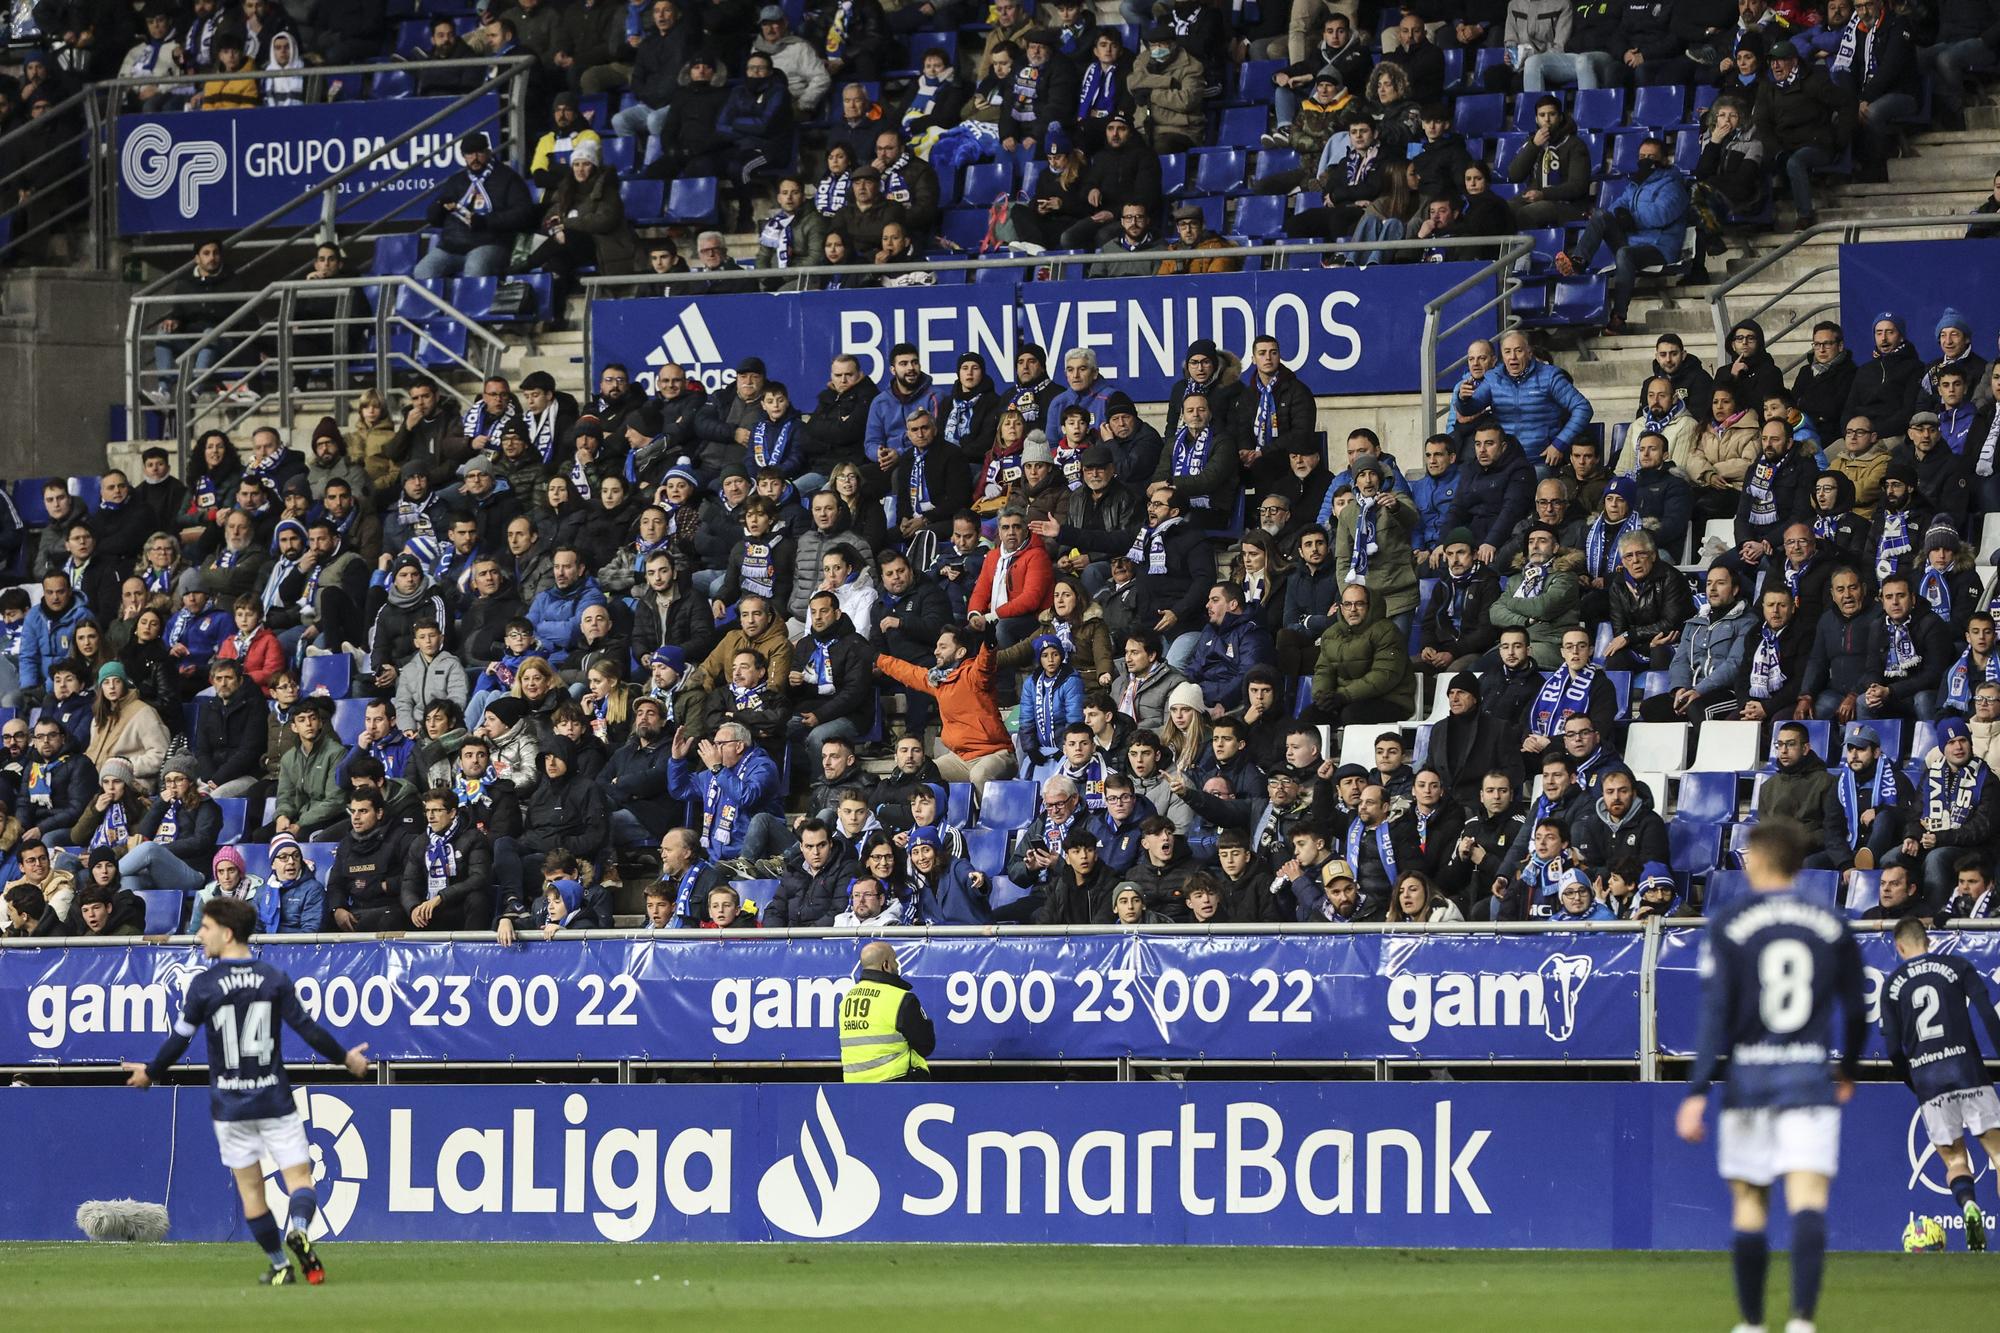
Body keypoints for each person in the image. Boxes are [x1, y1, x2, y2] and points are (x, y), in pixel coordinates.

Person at [1676, 819, 1866, 1333]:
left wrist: (1696, 1090)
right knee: (1807, 1200)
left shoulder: (1731, 921)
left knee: (1749, 1200)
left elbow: (1716, 1015)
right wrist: (1846, 1068)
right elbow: (1856, 1008)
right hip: (1808, 1077)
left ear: (1758, 859)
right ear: (1799, 864)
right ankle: (1802, 1320)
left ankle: (1752, 1323)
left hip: (1750, 1080)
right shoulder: (1828, 921)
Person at [124, 897, 372, 1286]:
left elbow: (180, 1040)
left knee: (252, 1191)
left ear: (226, 932)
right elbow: (307, 1030)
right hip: (274, 1097)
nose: (199, 935)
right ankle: (301, 1229)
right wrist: (347, 1059)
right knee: (300, 1179)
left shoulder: (205, 984)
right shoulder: (273, 977)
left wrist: (150, 1072)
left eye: (204, 928)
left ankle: (279, 1266)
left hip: (230, 1104)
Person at [1880, 915, 2000, 1249]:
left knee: (1955, 1161)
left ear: (1900, 946)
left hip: (1929, 1080)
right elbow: (1987, 1013)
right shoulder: (1957, 965)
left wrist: (1915, 1081)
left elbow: (1892, 1048)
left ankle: (1969, 1205)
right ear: (1928, 941)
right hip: (1968, 1070)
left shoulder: (1891, 985)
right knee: (1999, 1154)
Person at [416, 132, 536, 281]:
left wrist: (486, 221)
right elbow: (434, 219)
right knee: (423, 271)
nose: (474, 158)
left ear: (488, 152)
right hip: (451, 246)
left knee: (475, 267)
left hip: (491, 243)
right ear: (464, 156)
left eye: (479, 152)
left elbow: (523, 213)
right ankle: (434, 305)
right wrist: (438, 208)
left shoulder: (508, 178)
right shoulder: (456, 181)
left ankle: (471, 305)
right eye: (469, 154)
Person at [839, 940, 936, 1081]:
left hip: (855, 1086)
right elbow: (926, 1045)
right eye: (895, 960)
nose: (897, 965)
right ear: (886, 965)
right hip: (896, 1083)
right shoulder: (900, 998)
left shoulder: (848, 998)